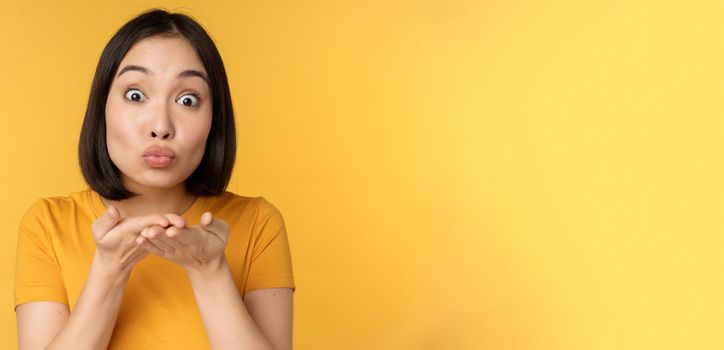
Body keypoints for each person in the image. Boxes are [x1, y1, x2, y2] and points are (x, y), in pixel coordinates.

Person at [14, 8, 295, 350]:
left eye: (187, 99)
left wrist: (210, 271)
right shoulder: (48, 225)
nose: (160, 126)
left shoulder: (257, 224)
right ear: (102, 107)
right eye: (136, 95)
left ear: (214, 120)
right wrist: (109, 270)